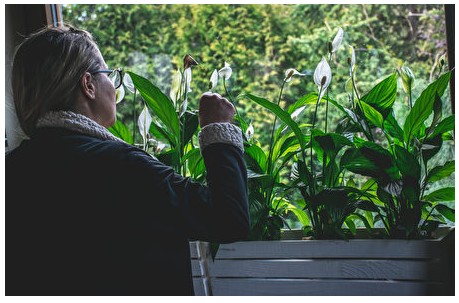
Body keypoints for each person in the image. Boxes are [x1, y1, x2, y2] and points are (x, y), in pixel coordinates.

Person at [6, 24, 249, 296]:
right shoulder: (126, 167)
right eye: (109, 75)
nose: (113, 86)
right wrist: (218, 129)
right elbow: (228, 218)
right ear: (88, 85)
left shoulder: (10, 170)